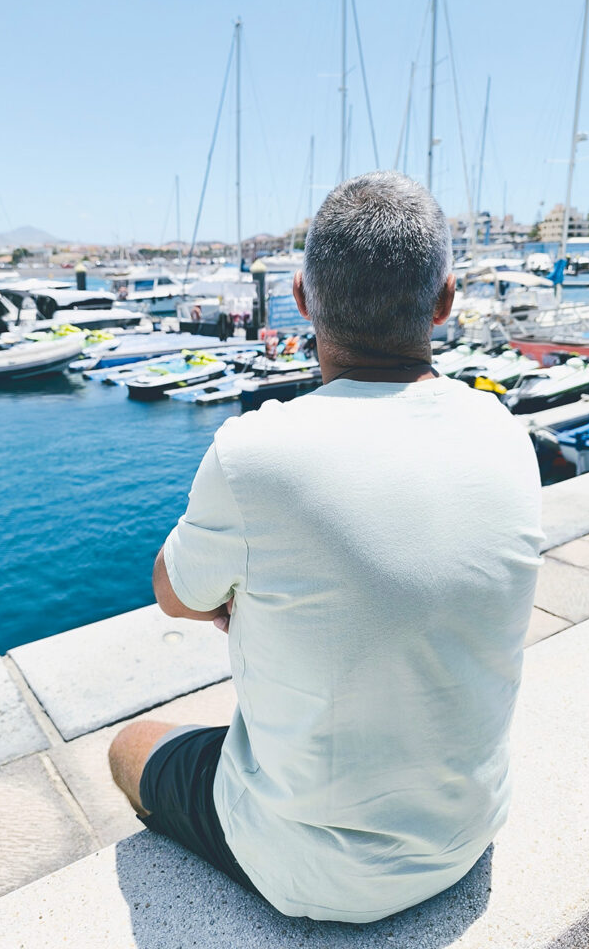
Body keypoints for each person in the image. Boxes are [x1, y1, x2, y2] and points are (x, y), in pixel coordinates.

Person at [108, 171, 542, 923]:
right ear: (444, 301)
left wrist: (236, 602)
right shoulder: (506, 435)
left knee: (129, 747)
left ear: (303, 299)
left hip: (309, 874)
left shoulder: (254, 454)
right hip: (467, 834)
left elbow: (172, 593)